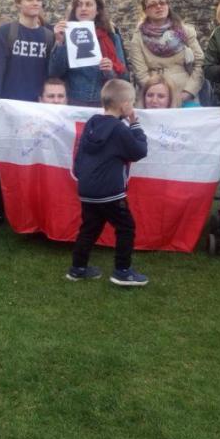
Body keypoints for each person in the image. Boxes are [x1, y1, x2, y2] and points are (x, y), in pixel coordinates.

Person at [0, 0, 53, 228]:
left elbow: (50, 73)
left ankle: (30, 210)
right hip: (10, 108)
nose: (34, 3)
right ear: (18, 3)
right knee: (5, 161)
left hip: (37, 109)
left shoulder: (48, 36)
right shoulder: (7, 32)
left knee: (34, 160)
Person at [67, 79, 149, 287]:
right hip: (111, 192)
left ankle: (78, 268)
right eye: (131, 101)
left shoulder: (91, 124)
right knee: (126, 227)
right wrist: (135, 124)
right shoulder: (120, 129)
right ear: (125, 106)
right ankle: (122, 271)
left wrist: (83, 177)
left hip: (87, 189)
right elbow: (139, 151)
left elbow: (80, 156)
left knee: (89, 228)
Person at [48, 0, 129, 107]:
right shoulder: (65, 34)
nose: (83, 8)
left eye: (88, 4)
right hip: (74, 102)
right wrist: (60, 42)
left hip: (103, 103)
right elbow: (54, 73)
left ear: (97, 10)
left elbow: (124, 77)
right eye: (79, 5)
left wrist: (109, 70)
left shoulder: (111, 37)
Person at [126, 0, 205, 106]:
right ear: (145, 10)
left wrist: (188, 92)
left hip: (184, 93)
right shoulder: (138, 38)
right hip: (153, 99)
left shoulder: (186, 32)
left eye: (162, 3)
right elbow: (140, 73)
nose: (159, 7)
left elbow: (200, 63)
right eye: (153, 4)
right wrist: (157, 96)